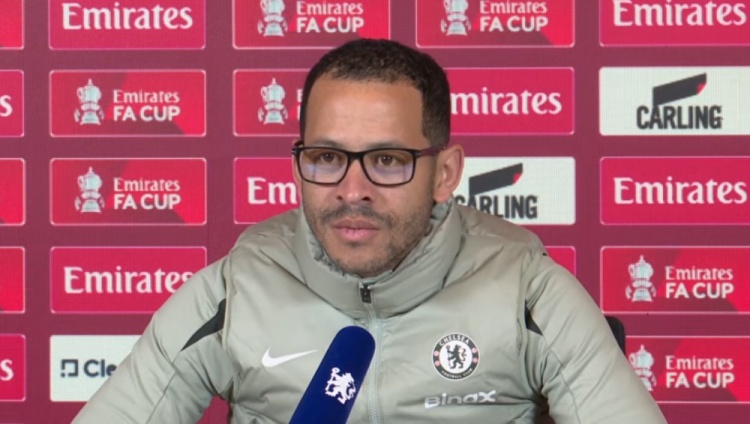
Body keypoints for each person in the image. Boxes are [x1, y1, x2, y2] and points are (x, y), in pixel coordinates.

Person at [73, 39, 667, 424]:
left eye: (386, 160)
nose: (351, 190)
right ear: (298, 166)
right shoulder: (234, 290)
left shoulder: (527, 289)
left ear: (445, 174)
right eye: (327, 158)